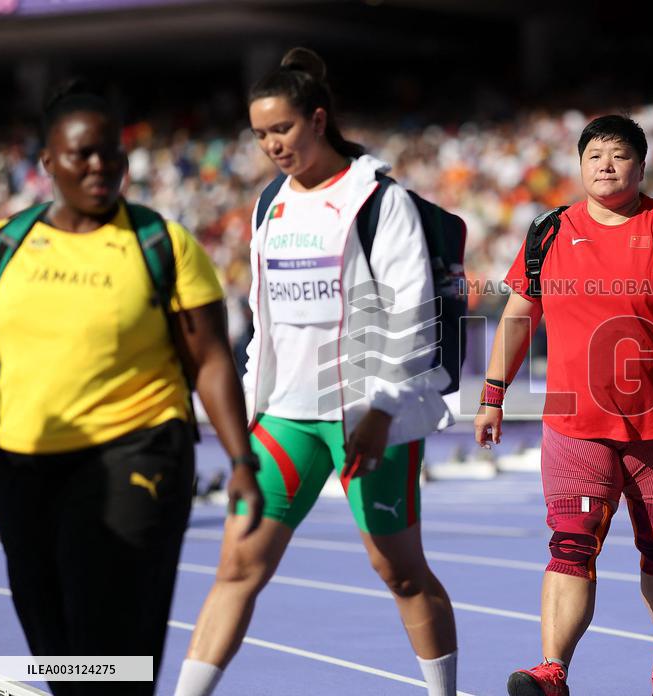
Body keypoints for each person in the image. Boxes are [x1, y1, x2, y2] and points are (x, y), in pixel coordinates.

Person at [174, 48, 458, 696]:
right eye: (261, 134)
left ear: (318, 119)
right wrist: (250, 409)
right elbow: (263, 321)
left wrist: (382, 409)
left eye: (283, 129)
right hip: (287, 416)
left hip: (365, 413)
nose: (273, 145)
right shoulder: (269, 204)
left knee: (401, 573)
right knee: (238, 565)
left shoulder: (378, 201)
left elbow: (411, 311)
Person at [0, 80, 262, 696]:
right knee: (54, 648)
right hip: (22, 467)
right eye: (81, 153)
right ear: (46, 163)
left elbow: (211, 361)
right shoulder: (5, 246)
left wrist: (241, 461)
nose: (99, 165)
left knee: (109, 640)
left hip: (135, 456)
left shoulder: (161, 244)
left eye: (110, 151)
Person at [476, 114, 653, 696]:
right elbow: (519, 317)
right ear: (580, 165)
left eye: (618, 156)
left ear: (641, 167)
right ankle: (553, 672)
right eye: (594, 156)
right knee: (571, 542)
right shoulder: (547, 232)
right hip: (574, 423)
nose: (605, 166)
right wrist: (492, 395)